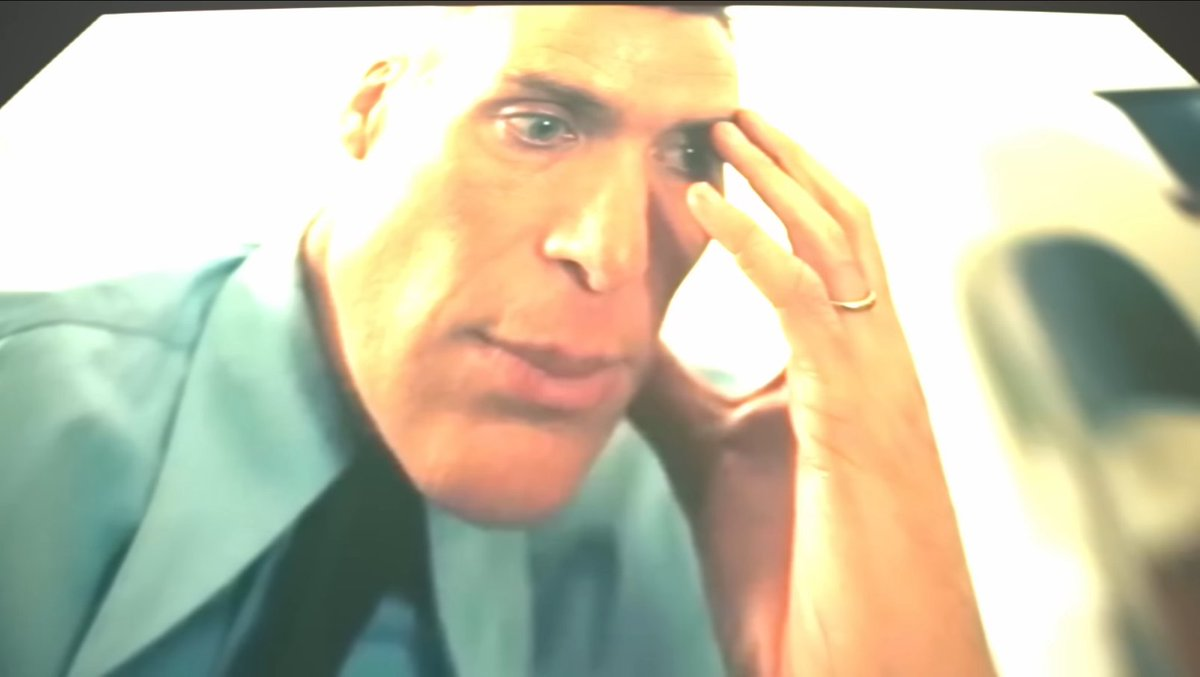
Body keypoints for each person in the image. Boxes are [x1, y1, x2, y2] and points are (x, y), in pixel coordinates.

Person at [0, 5, 994, 676]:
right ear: (373, 111)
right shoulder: (24, 404)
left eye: (690, 151)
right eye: (539, 125)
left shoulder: (718, 499)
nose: (611, 252)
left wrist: (858, 573)